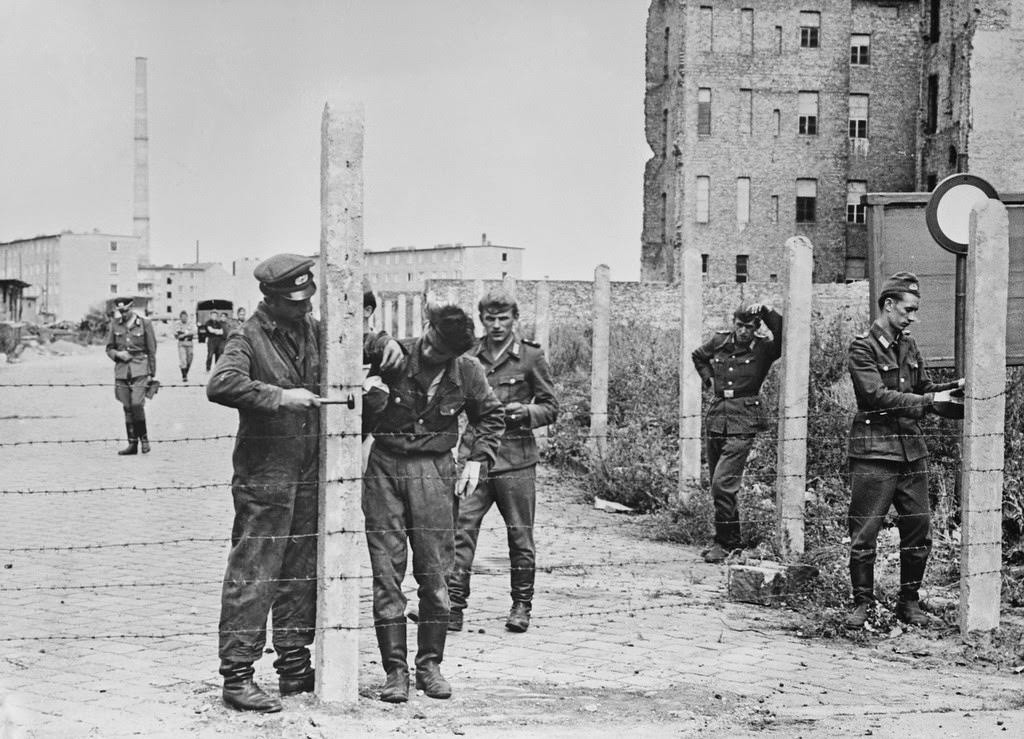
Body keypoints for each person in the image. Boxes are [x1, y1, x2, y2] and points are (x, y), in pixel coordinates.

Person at [363, 304, 504, 703]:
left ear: (454, 353)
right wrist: (376, 344)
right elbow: (343, 343)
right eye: (428, 341)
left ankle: (429, 666)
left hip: (434, 471)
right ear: (425, 328)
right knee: (386, 573)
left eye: (439, 351)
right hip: (385, 468)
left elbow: (490, 418)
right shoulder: (393, 355)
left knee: (436, 575)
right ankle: (395, 672)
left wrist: (476, 460)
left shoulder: (468, 372)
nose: (428, 353)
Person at [206, 255, 324, 714]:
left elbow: (359, 343)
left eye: (307, 299)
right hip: (265, 476)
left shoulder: (311, 329)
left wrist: (384, 351)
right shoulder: (247, 336)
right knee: (255, 573)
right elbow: (222, 384)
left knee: (299, 573)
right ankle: (237, 676)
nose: (304, 309)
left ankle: (294, 667)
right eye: (294, 302)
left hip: (307, 473)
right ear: (270, 300)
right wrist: (279, 397)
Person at [844, 272, 963, 629]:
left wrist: (952, 388)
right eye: (908, 310)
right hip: (875, 451)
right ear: (888, 305)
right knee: (865, 532)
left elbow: (923, 385)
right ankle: (862, 604)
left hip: (911, 451)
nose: (912, 317)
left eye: (915, 311)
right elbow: (875, 396)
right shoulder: (862, 347)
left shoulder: (908, 345)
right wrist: (929, 400)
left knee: (919, 530)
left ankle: (908, 603)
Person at [447, 289, 558, 634]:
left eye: (503, 318)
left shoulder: (530, 357)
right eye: (490, 319)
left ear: (515, 319)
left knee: (520, 537)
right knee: (460, 532)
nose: (496, 325)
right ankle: (452, 606)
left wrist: (526, 412)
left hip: (516, 459)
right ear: (481, 320)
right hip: (475, 460)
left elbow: (551, 406)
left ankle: (521, 606)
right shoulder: (468, 356)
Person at [691, 302, 783, 563]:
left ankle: (730, 544)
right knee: (717, 485)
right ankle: (724, 540)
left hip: (744, 418)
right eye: (740, 325)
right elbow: (698, 356)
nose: (744, 331)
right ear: (733, 323)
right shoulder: (720, 341)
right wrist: (709, 380)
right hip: (718, 415)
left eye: (750, 327)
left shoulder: (764, 348)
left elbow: (785, 334)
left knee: (723, 483)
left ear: (757, 328)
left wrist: (766, 311)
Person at [105, 296, 157, 455]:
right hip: (121, 371)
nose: (123, 313)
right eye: (120, 311)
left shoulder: (145, 323)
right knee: (127, 407)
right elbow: (109, 348)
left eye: (126, 310)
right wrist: (118, 354)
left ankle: (145, 439)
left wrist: (151, 374)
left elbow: (152, 350)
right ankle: (132, 444)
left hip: (140, 369)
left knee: (136, 404)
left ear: (131, 307)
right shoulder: (115, 324)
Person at [173, 310, 196, 381]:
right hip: (182, 344)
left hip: (189, 344)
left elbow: (194, 332)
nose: (184, 318)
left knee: (189, 360)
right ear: (180, 318)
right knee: (183, 360)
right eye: (182, 317)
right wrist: (188, 333)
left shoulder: (190, 323)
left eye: (185, 317)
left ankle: (185, 372)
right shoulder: (177, 324)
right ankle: (184, 376)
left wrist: (184, 334)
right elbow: (177, 335)